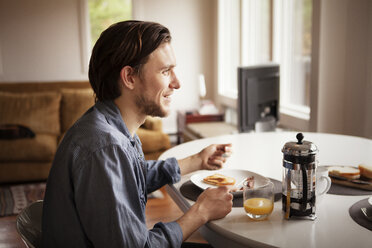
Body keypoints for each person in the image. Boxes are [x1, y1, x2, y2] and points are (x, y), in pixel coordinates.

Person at [42, 20, 233, 248]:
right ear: (129, 77)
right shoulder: (105, 147)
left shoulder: (111, 128)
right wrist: (200, 212)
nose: (177, 83)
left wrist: (196, 160)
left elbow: (131, 175)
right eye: (165, 71)